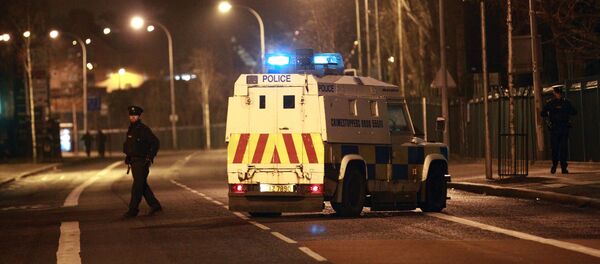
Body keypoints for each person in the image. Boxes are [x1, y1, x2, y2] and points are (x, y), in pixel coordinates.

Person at [122, 105, 162, 217]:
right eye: (131, 115)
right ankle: (155, 205)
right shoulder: (131, 130)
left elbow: (155, 142)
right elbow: (130, 146)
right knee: (142, 185)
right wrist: (128, 157)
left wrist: (150, 157)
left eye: (135, 116)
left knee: (137, 187)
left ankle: (133, 209)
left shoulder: (143, 129)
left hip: (142, 162)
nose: (132, 117)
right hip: (134, 162)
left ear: (139, 116)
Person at [541, 86, 577, 174]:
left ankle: (557, 166)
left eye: (558, 93)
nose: (558, 94)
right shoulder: (566, 103)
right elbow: (574, 112)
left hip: (557, 128)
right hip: (561, 127)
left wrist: (549, 115)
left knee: (558, 148)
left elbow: (543, 113)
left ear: (555, 93)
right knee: (559, 148)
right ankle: (560, 166)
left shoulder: (551, 103)